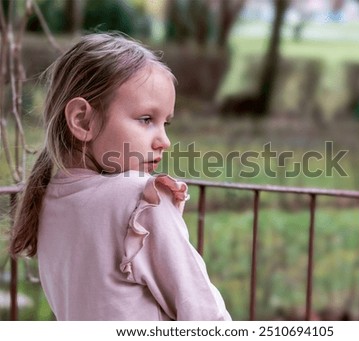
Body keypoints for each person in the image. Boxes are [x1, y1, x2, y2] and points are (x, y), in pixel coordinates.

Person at [9, 33, 231, 321]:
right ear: (82, 120)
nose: (164, 140)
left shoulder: (48, 199)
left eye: (166, 123)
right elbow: (204, 316)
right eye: (146, 119)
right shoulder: (142, 200)